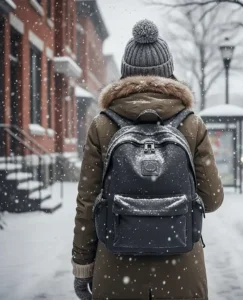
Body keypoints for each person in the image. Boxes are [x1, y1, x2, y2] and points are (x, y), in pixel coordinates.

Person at [72, 19, 224, 300]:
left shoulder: (102, 125)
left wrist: (83, 266)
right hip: (182, 270)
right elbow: (212, 199)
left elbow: (87, 205)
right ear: (169, 73)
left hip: (116, 268)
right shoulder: (192, 125)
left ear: (124, 73)